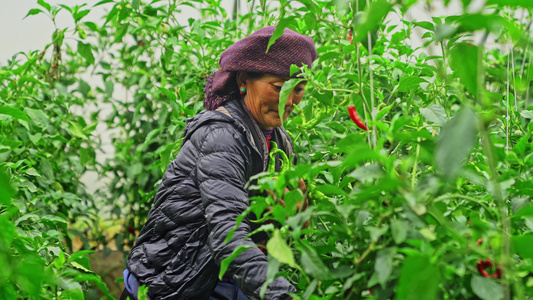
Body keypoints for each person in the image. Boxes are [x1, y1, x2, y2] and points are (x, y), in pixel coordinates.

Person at [121, 26, 318, 300]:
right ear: (243, 80)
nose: (290, 101)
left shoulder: (279, 141)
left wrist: (291, 217)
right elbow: (229, 233)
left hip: (220, 284)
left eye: (298, 89)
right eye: (278, 87)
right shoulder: (222, 135)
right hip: (172, 284)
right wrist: (283, 295)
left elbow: (261, 227)